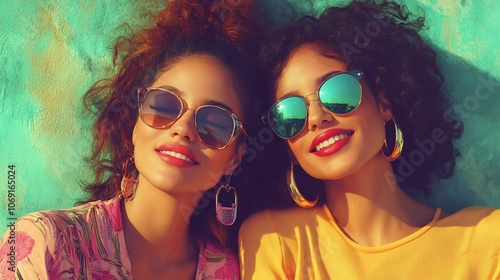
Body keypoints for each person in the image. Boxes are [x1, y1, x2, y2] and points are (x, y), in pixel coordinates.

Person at [0, 0, 263, 278]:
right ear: (135, 125)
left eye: (214, 122)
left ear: (236, 157)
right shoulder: (45, 242)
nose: (183, 129)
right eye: (163, 106)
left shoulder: (229, 272)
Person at [239, 0, 500, 279]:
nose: (316, 118)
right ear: (287, 147)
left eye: (338, 91)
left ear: (384, 103)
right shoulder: (276, 239)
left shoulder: (487, 239)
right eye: (289, 114)